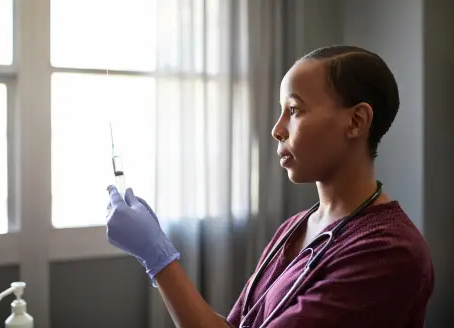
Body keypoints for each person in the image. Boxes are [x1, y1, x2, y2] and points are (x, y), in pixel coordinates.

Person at [106, 45, 434, 328]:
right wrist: (155, 251)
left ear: (356, 121)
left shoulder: (389, 252)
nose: (277, 129)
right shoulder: (295, 228)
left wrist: (160, 259)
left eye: (294, 110)